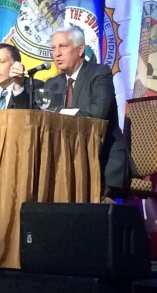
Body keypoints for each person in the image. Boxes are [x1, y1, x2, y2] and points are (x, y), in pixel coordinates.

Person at [45, 26, 133, 196]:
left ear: (80, 50)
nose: (57, 54)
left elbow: (98, 113)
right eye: (53, 48)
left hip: (102, 160)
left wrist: (62, 113)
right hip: (64, 161)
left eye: (63, 47)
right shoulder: (52, 84)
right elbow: (48, 118)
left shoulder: (99, 74)